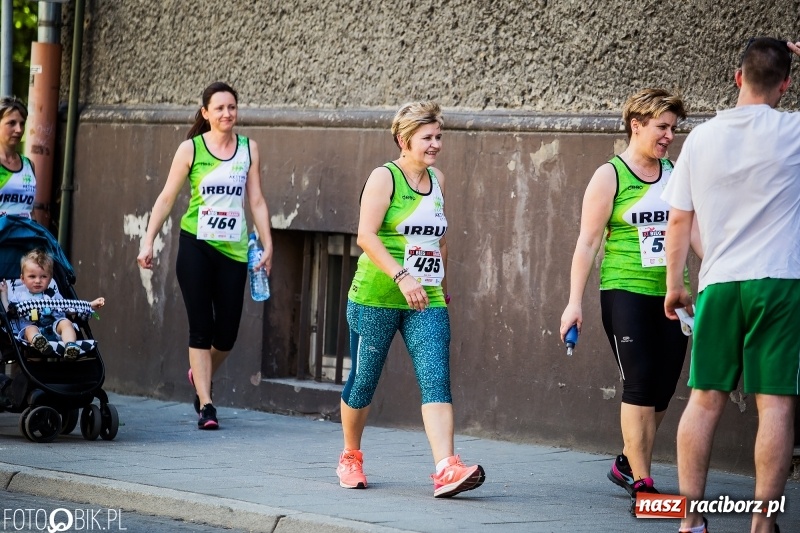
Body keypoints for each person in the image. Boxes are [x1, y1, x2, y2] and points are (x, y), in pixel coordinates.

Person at [663, 37, 800, 533]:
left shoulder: (699, 139)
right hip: (780, 282)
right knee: (776, 403)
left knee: (703, 399)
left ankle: (690, 520)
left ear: (737, 77)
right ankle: (763, 524)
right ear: (786, 84)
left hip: (718, 282)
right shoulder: (794, 131)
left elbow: (678, 222)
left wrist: (675, 285)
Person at [559, 88, 700, 513]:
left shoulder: (677, 173)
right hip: (624, 291)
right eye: (662, 127)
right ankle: (643, 484)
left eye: (673, 128)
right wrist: (573, 302)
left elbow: (693, 233)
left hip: (673, 294)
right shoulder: (611, 176)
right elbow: (587, 244)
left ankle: (625, 462)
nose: (669, 136)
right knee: (639, 384)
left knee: (662, 390)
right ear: (636, 125)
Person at [336, 101, 485, 498]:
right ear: (404, 140)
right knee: (363, 381)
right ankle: (351, 455)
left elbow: (440, 240)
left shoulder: (437, 178)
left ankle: (445, 468)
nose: (435, 144)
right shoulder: (385, 178)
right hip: (377, 296)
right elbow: (365, 236)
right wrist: (402, 277)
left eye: (439, 136)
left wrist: (443, 288)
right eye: (427, 137)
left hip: (428, 299)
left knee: (436, 379)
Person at [137, 82, 273, 430]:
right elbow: (167, 197)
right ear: (206, 113)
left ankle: (198, 374)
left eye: (232, 107)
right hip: (196, 245)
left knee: (225, 334)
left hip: (235, 250)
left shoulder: (248, 149)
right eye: (220, 108)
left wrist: (268, 243)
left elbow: (255, 200)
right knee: (201, 327)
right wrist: (148, 240)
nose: (227, 114)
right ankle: (206, 403)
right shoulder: (191, 150)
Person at [0, 249, 105, 360]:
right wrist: (4, 293)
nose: (38, 281)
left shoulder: (53, 294)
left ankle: (70, 346)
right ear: (23, 279)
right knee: (29, 330)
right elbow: (9, 311)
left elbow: (68, 307)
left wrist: (90, 305)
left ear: (50, 279)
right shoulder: (19, 296)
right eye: (32, 276)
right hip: (33, 328)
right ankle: (39, 342)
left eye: (43, 277)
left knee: (66, 323)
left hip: (54, 328)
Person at [0, 96, 36, 219]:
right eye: (12, 123)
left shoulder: (29, 165)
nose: (19, 130)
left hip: (25, 236)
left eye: (22, 123)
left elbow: (31, 211)